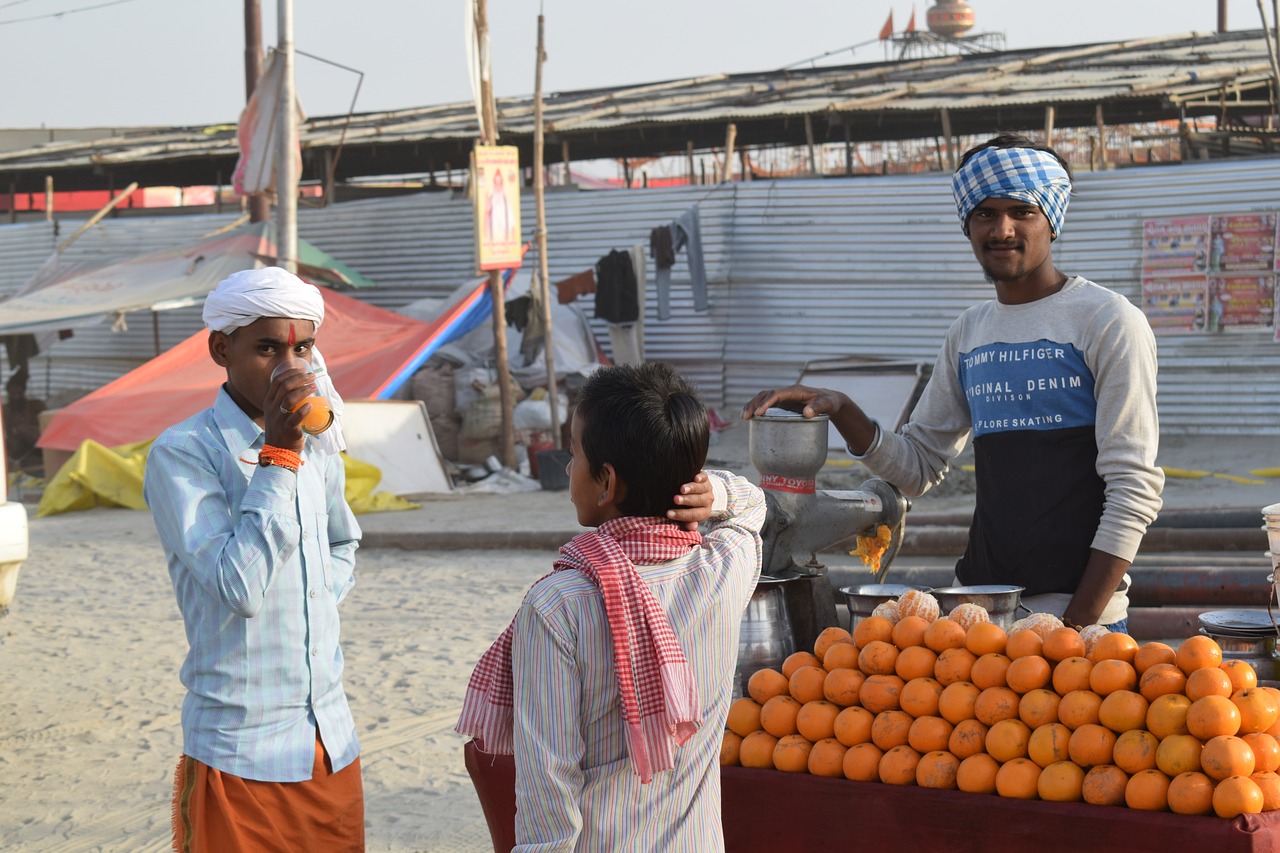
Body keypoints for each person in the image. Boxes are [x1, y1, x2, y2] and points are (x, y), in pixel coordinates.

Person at [743, 133, 1164, 633]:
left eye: (1021, 212)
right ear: (967, 224)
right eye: (985, 213)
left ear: (1053, 220)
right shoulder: (969, 332)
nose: (1002, 229)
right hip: (979, 612)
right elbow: (918, 468)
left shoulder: (1108, 321)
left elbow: (1133, 487)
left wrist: (1072, 629)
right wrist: (842, 409)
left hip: (1081, 620)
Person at [457, 362, 765, 851]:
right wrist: (717, 491)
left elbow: (548, 788)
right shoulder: (724, 566)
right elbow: (754, 506)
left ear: (606, 482)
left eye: (574, 454)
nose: (567, 466)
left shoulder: (559, 605)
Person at [144, 266, 364, 851]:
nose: (290, 368)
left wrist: (311, 591)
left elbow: (344, 541)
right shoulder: (184, 453)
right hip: (240, 754)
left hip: (330, 744)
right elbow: (238, 589)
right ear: (222, 348)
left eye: (304, 348)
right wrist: (279, 456)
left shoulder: (319, 444)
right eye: (268, 348)